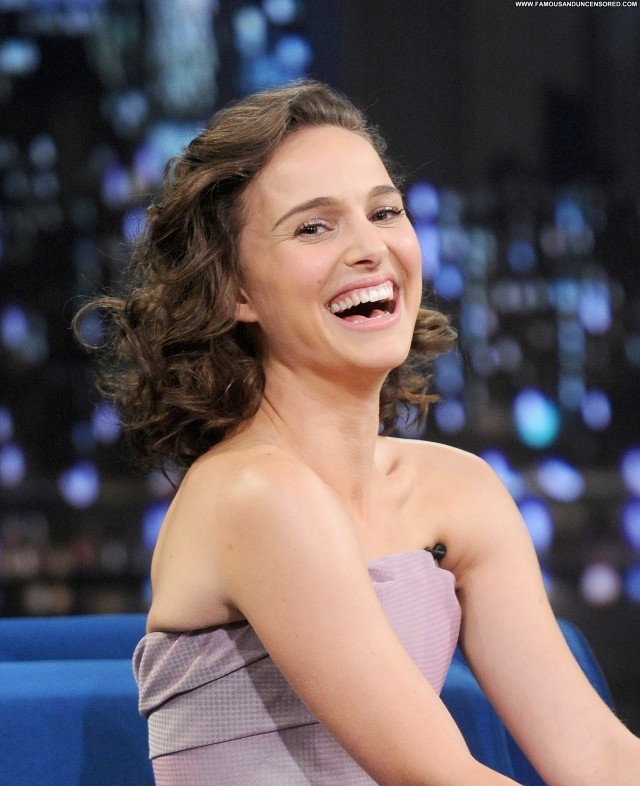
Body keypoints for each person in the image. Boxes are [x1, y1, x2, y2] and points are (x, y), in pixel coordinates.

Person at [76, 80, 640, 785]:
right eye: (314, 227)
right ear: (234, 290)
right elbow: (437, 777)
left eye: (384, 212)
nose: (370, 247)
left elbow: (597, 755)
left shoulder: (458, 491)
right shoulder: (252, 494)